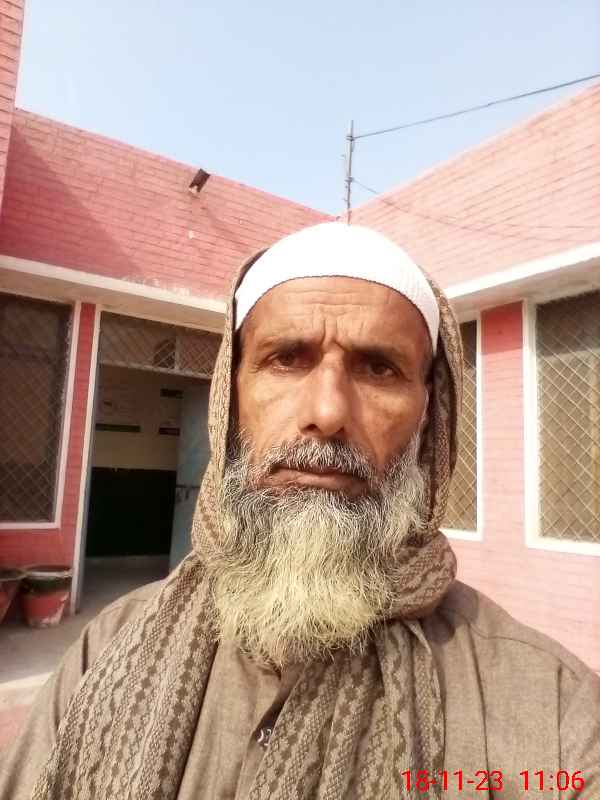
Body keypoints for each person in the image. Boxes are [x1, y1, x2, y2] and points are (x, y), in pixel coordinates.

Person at [1, 222, 599, 800]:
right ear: (230, 397)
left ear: (428, 415)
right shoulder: (109, 648)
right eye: (287, 359)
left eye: (379, 368)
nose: (328, 412)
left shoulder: (551, 714)